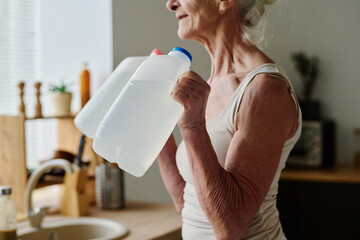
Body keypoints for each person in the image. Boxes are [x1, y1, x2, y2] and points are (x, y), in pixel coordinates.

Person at [157, 0, 301, 239]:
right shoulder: (211, 85)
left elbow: (229, 227)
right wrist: (151, 113)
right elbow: (186, 203)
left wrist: (193, 127)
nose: (170, 4)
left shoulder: (265, 89)